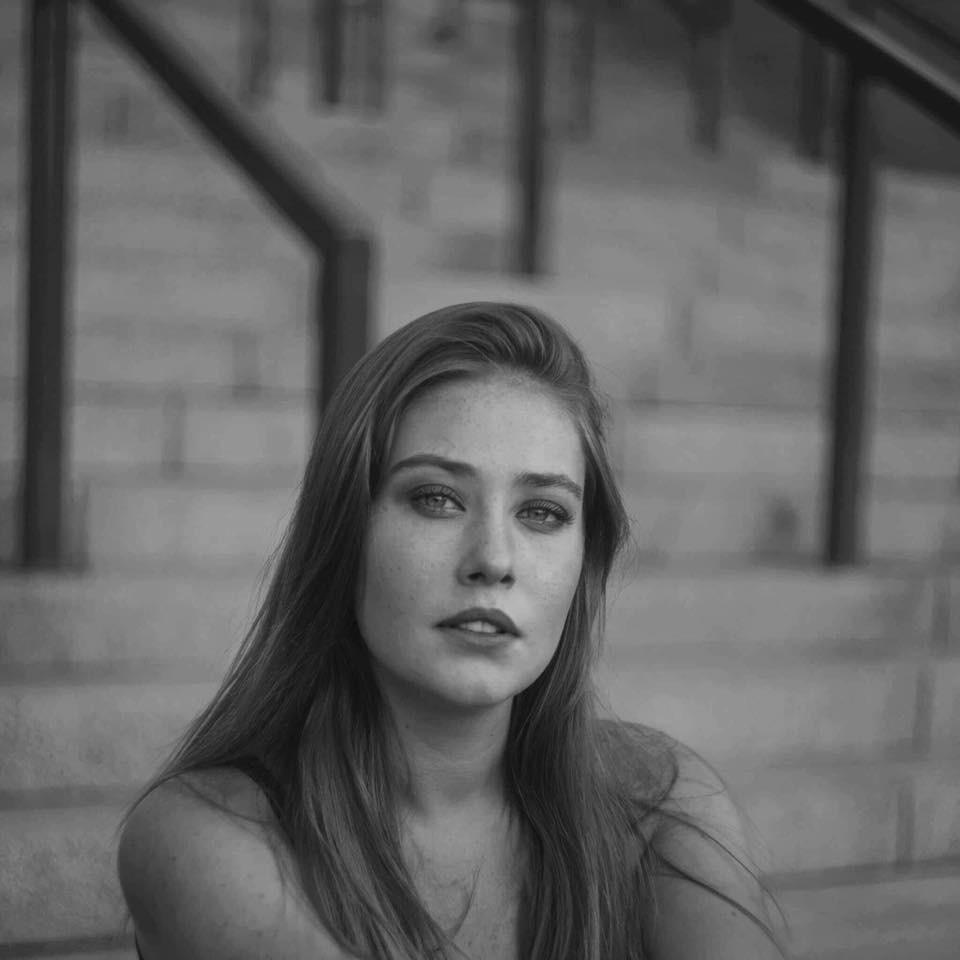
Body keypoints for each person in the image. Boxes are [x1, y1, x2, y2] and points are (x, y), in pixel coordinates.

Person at [116, 302, 786, 959]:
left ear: (586, 561)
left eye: (543, 512)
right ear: (344, 533)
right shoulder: (205, 833)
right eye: (436, 499)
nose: (493, 559)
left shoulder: (658, 800)